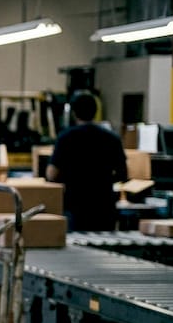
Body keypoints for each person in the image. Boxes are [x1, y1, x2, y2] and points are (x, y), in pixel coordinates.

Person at [46, 91, 127, 231]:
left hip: (76, 208)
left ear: (74, 112)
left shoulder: (66, 138)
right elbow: (123, 174)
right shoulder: (112, 138)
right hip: (104, 207)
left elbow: (52, 174)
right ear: (96, 111)